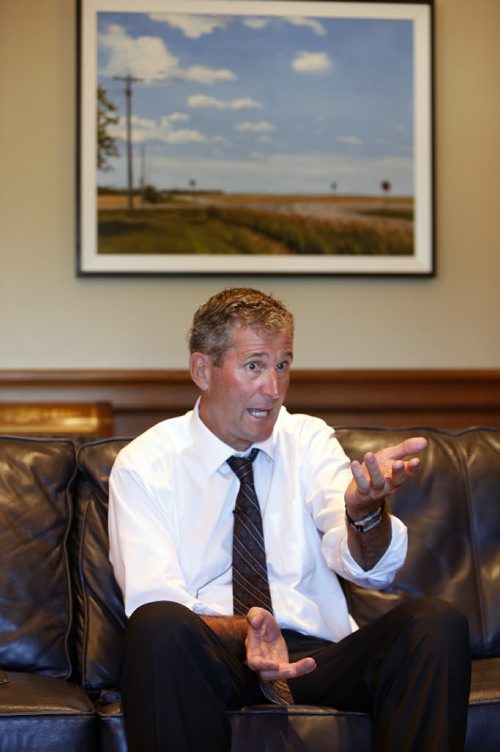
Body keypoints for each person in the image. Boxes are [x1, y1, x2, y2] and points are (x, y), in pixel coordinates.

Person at [108, 287, 471, 752]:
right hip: (215, 655)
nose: (273, 389)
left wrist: (364, 513)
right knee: (158, 627)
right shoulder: (146, 463)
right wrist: (251, 630)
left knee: (435, 622)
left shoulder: (309, 439)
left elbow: (368, 567)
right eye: (254, 366)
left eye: (283, 365)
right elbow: (152, 598)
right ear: (203, 370)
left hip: (317, 655)